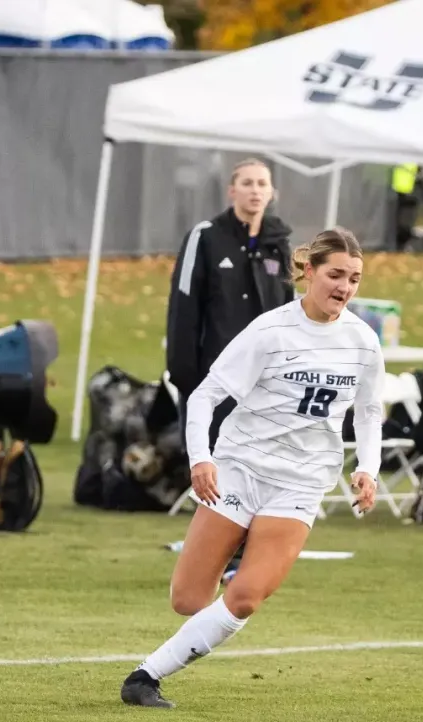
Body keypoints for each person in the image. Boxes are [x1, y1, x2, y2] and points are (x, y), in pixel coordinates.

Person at [122, 228, 385, 709]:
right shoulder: (270, 331)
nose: (345, 287)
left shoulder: (364, 341)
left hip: (302, 482)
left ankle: (145, 677)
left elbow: (368, 412)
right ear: (309, 271)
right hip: (241, 468)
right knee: (187, 600)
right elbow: (204, 395)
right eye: (335, 275)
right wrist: (201, 458)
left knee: (244, 599)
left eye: (354, 278)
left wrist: (368, 467)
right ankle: (236, 550)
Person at [166, 158, 294, 582]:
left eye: (262, 184)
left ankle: (244, 556)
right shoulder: (205, 238)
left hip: (267, 382)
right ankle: (211, 555)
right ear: (231, 190)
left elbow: (290, 311)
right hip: (216, 378)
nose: (255, 191)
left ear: (271, 192)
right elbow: (183, 308)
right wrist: (185, 375)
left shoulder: (280, 243)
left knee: (260, 467)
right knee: (217, 468)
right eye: (247, 183)